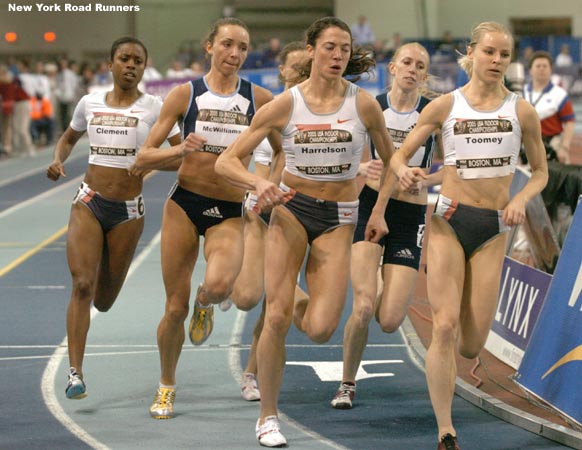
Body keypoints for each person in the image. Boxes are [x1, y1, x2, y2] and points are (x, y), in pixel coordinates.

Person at [216, 16, 394, 447]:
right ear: (312, 50)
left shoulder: (363, 104)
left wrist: (380, 212)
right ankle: (268, 418)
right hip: (291, 211)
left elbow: (392, 163)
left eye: (345, 49)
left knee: (319, 329)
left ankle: (286, 292)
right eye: (330, 47)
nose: (338, 56)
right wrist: (260, 183)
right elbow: (226, 162)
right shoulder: (284, 105)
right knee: (274, 318)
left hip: (339, 218)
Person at [390, 22, 548, 450]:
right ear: (472, 54)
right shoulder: (444, 106)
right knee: (443, 326)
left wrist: (521, 199)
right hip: (448, 222)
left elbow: (541, 173)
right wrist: (404, 170)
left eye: (504, 55)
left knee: (472, 341)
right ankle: (446, 429)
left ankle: (459, 325)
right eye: (490, 53)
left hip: (494, 230)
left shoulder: (521, 111)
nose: (497, 61)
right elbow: (400, 155)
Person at [132, 17, 277, 420]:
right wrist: (180, 151)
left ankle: (206, 303)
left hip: (229, 210)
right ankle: (166, 386)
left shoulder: (260, 98)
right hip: (184, 204)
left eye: (243, 47)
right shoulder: (185, 94)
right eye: (228, 44)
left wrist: (263, 185)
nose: (235, 54)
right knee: (173, 309)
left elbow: (282, 150)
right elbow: (143, 157)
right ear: (209, 46)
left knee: (217, 284)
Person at [45, 36, 181, 400]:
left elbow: (180, 158)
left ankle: (101, 269)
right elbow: (69, 138)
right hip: (88, 201)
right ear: (111, 64)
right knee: (82, 285)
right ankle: (75, 373)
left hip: (127, 212)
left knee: (103, 300)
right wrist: (59, 159)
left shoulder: (155, 107)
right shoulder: (89, 103)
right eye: (124, 58)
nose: (131, 65)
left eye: (138, 59)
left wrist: (149, 162)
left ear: (144, 67)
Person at [330, 42, 442, 410]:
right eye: (406, 62)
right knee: (362, 307)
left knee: (390, 319)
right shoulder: (371, 106)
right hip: (370, 207)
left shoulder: (432, 113)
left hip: (410, 216)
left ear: (425, 76)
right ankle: (347, 383)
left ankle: (378, 281)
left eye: (420, 66)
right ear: (392, 68)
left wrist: (428, 178)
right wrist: (360, 169)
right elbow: (340, 150)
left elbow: (451, 166)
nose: (412, 69)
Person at [234, 41, 310, 402]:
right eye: (298, 68)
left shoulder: (315, 112)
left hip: (292, 215)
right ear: (283, 71)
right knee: (248, 296)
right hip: (257, 211)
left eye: (307, 69)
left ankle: (250, 374)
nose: (304, 74)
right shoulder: (270, 110)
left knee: (273, 304)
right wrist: (258, 194)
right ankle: (213, 291)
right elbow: (258, 163)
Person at [523, 51, 575, 164]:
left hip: (552, 143)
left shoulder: (559, 94)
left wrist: (564, 147)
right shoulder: (521, 93)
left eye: (545, 66)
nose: (541, 69)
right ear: (530, 70)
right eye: (538, 66)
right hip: (527, 143)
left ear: (551, 70)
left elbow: (569, 122)